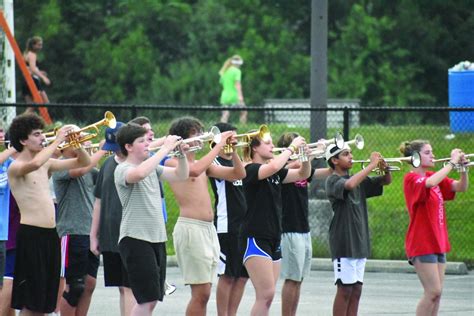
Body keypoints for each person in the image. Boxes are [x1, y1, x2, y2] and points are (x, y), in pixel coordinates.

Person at [7, 113, 90, 314]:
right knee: (32, 300)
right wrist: (59, 140)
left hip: (50, 235)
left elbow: (83, 162)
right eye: (36, 134)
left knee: (45, 300)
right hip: (31, 236)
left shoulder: (46, 164)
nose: (42, 137)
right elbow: (34, 164)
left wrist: (75, 143)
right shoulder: (16, 167)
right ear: (23, 140)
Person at [165, 117, 245, 316]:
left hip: (208, 230)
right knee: (200, 294)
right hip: (191, 228)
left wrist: (233, 151)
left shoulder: (204, 164)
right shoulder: (173, 161)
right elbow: (194, 170)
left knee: (205, 293)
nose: (201, 137)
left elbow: (238, 174)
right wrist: (217, 146)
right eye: (196, 134)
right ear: (182, 139)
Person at [114, 123, 189, 316]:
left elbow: (181, 175)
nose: (147, 145)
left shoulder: (152, 168)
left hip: (156, 238)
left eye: (148, 141)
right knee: (146, 298)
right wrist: (164, 149)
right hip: (136, 238)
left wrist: (180, 155)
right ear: (128, 147)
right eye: (142, 141)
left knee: (153, 298)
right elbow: (138, 174)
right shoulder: (123, 169)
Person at [240, 131, 310, 316]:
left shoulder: (276, 172)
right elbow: (272, 168)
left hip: (273, 236)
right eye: (267, 143)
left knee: (268, 297)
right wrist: (291, 148)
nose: (272, 146)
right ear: (254, 147)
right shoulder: (250, 168)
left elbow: (303, 173)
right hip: (255, 236)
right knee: (266, 294)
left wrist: (305, 156)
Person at [399, 140, 468, 316]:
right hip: (422, 242)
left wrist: (463, 169)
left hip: (438, 241)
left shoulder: (432, 176)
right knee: (432, 292)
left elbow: (461, 187)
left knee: (437, 295)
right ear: (415, 157)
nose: (433, 156)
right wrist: (452, 163)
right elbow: (428, 183)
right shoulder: (411, 179)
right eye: (428, 152)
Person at [325, 143, 392, 316]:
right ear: (334, 160)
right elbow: (349, 185)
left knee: (356, 291)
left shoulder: (358, 180)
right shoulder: (333, 181)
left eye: (351, 153)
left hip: (359, 242)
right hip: (344, 241)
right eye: (346, 154)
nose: (351, 156)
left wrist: (385, 169)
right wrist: (371, 165)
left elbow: (386, 181)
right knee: (344, 290)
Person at [276, 132, 332, 316]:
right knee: (292, 278)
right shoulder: (281, 168)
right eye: (301, 145)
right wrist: (315, 153)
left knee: (299, 278)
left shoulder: (302, 168)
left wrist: (331, 153)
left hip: (303, 228)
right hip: (289, 228)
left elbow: (328, 172)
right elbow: (294, 165)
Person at [90, 121, 140, 316]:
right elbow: (99, 201)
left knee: (131, 286)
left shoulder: (139, 167)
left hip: (131, 233)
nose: (116, 153)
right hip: (111, 235)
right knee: (122, 286)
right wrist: (94, 235)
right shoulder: (108, 165)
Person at [54, 136, 106, 315]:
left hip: (90, 232)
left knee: (90, 284)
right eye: (78, 139)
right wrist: (103, 149)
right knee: (75, 286)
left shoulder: (91, 168)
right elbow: (81, 170)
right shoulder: (60, 165)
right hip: (72, 231)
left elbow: (104, 176)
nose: (84, 142)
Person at [208, 122, 248, 316]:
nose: (234, 141)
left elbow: (243, 170)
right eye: (229, 138)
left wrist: (234, 153)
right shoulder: (213, 164)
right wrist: (231, 151)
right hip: (227, 225)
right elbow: (238, 174)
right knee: (227, 276)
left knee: (241, 276)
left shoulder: (236, 160)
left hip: (244, 225)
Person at [22, 36, 50, 107]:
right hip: (32, 80)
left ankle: (19, 118)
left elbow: (28, 68)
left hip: (25, 80)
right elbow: (33, 69)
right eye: (39, 45)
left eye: (41, 45)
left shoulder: (26, 53)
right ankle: (43, 117)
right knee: (46, 102)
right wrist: (43, 77)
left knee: (31, 107)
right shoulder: (32, 55)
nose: (41, 47)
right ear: (33, 45)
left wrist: (40, 72)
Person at [219, 55, 247, 124]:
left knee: (225, 114)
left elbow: (222, 83)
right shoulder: (237, 71)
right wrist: (240, 96)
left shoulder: (225, 71)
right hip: (234, 96)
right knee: (244, 111)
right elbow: (237, 84)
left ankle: (221, 130)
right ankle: (243, 128)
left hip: (224, 97)